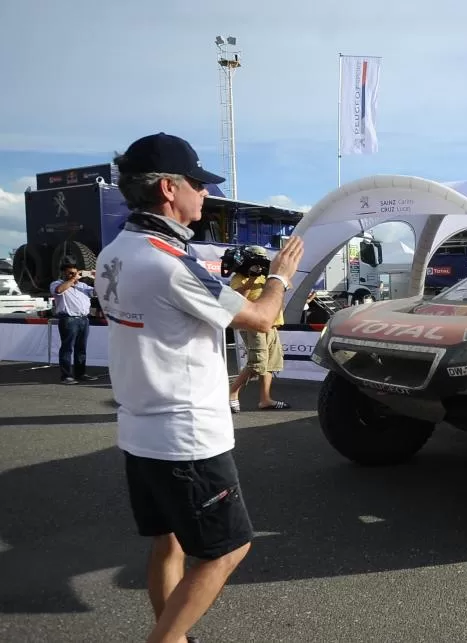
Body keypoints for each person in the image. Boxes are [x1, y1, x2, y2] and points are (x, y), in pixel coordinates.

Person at [95, 132, 304, 643]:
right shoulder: (171, 262)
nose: (206, 194)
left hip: (139, 429)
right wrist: (280, 276)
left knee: (167, 542)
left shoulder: (113, 253)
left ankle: (172, 636)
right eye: (198, 184)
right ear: (169, 188)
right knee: (227, 549)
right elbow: (259, 317)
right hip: (186, 436)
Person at [228, 246, 289, 412]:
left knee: (269, 364)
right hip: (252, 324)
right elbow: (239, 299)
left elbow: (284, 288)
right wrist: (251, 279)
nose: (259, 265)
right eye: (256, 259)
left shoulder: (267, 277)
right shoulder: (239, 277)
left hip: (272, 323)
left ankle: (265, 399)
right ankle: (232, 393)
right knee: (257, 363)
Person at [49, 260, 98, 384]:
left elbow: (96, 293)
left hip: (84, 319)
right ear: (63, 273)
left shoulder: (82, 286)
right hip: (68, 319)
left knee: (81, 348)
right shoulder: (57, 283)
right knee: (67, 348)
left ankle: (80, 373)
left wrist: (97, 278)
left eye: (75, 273)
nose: (73, 275)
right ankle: (66, 376)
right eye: (70, 273)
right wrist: (72, 280)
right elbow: (59, 290)